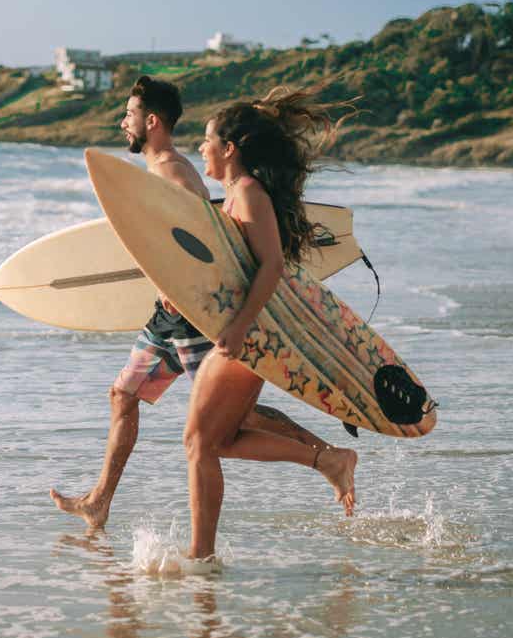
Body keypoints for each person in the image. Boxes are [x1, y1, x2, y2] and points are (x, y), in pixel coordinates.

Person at [50, 77, 353, 531]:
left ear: (150, 121)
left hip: (191, 316)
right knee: (123, 395)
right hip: (166, 318)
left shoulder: (170, 171)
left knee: (234, 422)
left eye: (129, 115)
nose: (122, 122)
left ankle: (327, 458)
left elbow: (201, 241)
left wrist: (184, 285)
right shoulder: (160, 171)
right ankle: (99, 500)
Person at [183, 86, 358, 562]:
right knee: (219, 439)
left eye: (206, 140)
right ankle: (328, 460)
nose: (201, 149)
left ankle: (201, 558)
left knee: (200, 442)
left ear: (230, 148)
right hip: (250, 329)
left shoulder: (249, 194)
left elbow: (273, 266)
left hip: (253, 332)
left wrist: (239, 327)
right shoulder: (236, 195)